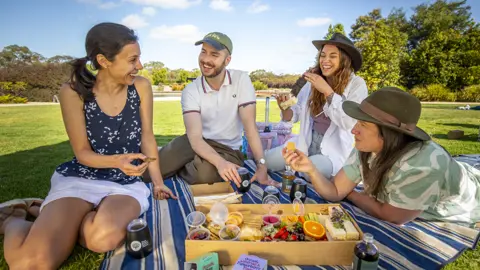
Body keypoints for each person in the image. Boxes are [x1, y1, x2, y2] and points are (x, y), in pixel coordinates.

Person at [0, 22, 176, 269]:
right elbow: (82, 153)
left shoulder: (141, 86)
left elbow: (147, 136)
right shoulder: (73, 92)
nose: (140, 66)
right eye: (133, 59)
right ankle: (14, 220)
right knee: (30, 263)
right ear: (104, 60)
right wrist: (117, 161)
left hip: (124, 183)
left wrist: (157, 183)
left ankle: (46, 214)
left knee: (102, 239)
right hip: (82, 176)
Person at [283, 87, 480, 227]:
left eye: (363, 125)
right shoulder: (366, 147)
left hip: (472, 199)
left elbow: (392, 216)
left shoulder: (423, 165)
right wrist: (310, 169)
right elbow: (335, 191)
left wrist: (350, 193)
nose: (353, 130)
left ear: (388, 134)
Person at [144, 32, 269, 187]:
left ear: (227, 60)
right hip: (193, 143)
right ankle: (189, 161)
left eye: (214, 55)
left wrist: (261, 166)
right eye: (203, 52)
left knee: (205, 175)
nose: (206, 59)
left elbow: (250, 128)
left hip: (228, 149)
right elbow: (195, 138)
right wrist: (219, 163)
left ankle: (188, 164)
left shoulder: (241, 80)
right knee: (147, 173)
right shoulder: (191, 90)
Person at [266, 33, 368, 179]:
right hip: (305, 142)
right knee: (267, 161)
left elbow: (348, 122)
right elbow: (296, 114)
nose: (325, 60)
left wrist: (327, 90)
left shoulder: (357, 84)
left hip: (332, 151)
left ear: (345, 60)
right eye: (323, 55)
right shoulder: (312, 81)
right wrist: (285, 109)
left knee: (307, 172)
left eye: (332, 56)